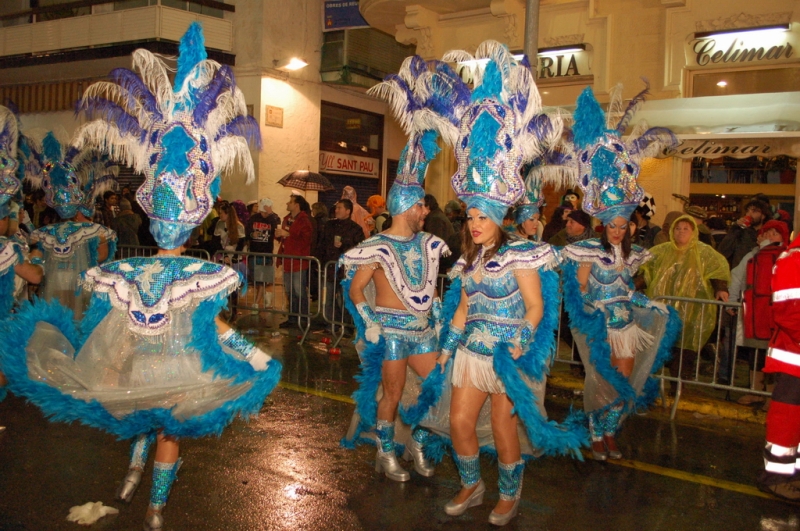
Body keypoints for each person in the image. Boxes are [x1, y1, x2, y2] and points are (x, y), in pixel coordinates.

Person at [0, 24, 281, 530]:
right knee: (168, 430)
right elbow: (211, 328)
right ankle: (154, 507)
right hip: (177, 369)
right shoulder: (203, 273)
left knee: (137, 412)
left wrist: (106, 364)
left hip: (138, 368)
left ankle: (131, 474)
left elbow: (114, 326)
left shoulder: (122, 270)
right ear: (196, 218)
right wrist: (255, 355)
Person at [341, 55, 452, 485]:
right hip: (388, 331)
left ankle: (419, 441)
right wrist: (367, 321)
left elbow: (430, 285)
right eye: (423, 204)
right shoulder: (375, 247)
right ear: (409, 205)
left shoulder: (430, 243)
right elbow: (356, 291)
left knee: (435, 387)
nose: (427, 211)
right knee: (390, 394)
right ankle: (386, 454)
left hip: (423, 330)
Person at [561, 83, 680, 462]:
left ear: (629, 226)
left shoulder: (631, 256)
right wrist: (591, 315)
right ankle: (596, 434)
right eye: (610, 224)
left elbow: (627, 289)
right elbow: (578, 292)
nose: (616, 230)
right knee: (601, 381)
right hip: (601, 327)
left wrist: (649, 303)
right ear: (602, 224)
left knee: (623, 381)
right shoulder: (588, 252)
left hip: (626, 325)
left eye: (621, 225)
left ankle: (611, 432)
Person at [22, 131, 117, 319]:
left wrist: (42, 262)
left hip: (53, 288)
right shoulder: (98, 232)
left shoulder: (43, 234)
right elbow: (101, 257)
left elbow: (36, 259)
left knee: (56, 327)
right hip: (82, 289)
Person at [640, 215, 730, 389]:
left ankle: (679, 387)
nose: (681, 232)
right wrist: (631, 285)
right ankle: (652, 388)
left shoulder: (704, 253)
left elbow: (716, 270)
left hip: (692, 312)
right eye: (678, 228)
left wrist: (721, 288)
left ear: (693, 231)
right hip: (663, 311)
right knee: (660, 347)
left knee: (684, 351)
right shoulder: (661, 251)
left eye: (685, 229)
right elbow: (647, 274)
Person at [757, 231, 800, 500]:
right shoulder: (794, 260)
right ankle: (775, 478)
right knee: (786, 419)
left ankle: (791, 475)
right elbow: (789, 312)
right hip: (793, 358)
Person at [727, 220, 789, 404]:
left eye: (775, 234)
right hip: (755, 315)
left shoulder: (787, 256)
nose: (770, 237)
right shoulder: (751, 256)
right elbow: (737, 277)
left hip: (776, 316)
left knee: (773, 356)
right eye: (767, 232)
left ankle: (771, 395)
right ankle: (755, 391)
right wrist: (732, 301)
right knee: (755, 354)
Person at [319, 199, 364, 323]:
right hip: (330, 268)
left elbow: (359, 249)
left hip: (346, 271)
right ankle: (331, 324)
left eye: (339, 208)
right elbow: (322, 244)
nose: (336, 210)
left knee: (344, 299)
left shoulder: (355, 229)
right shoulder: (329, 225)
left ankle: (346, 325)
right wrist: (320, 262)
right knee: (328, 298)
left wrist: (344, 245)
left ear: (348, 211)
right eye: (336, 208)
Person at [276, 193, 313, 329]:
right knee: (290, 291)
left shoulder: (304, 221)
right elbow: (286, 239)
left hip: (298, 261)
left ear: (297, 205)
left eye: (290, 202)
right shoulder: (287, 219)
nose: (287, 204)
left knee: (299, 291)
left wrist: (288, 235)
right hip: (287, 259)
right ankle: (292, 318)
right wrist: (280, 237)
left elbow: (306, 240)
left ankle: (302, 318)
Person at [246, 198, 281, 320]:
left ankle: (256, 302)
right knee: (255, 278)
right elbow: (247, 232)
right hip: (254, 252)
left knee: (262, 279)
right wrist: (252, 235)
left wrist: (271, 214)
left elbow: (277, 232)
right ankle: (266, 296)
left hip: (266, 253)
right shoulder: (253, 219)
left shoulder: (272, 219)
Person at [717, 199, 772, 268]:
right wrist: (735, 228)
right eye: (747, 211)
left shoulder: (768, 234)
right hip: (739, 274)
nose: (749, 214)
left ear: (763, 215)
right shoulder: (739, 232)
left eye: (754, 211)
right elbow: (722, 251)